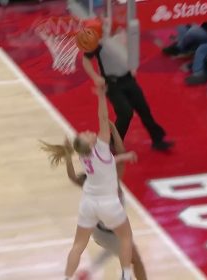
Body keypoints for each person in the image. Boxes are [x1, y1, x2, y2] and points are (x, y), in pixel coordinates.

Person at [41, 85, 136, 280]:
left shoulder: (85, 155)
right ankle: (126, 277)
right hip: (108, 203)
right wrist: (101, 94)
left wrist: (123, 157)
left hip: (89, 203)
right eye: (85, 134)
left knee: (78, 245)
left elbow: (108, 164)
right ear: (91, 143)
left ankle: (67, 278)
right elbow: (103, 117)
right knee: (126, 238)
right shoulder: (101, 147)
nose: (85, 131)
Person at [80, 22, 173, 151]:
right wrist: (95, 77)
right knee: (125, 113)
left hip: (128, 79)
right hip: (112, 84)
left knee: (144, 109)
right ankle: (113, 144)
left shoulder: (119, 36)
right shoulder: (97, 43)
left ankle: (157, 139)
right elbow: (86, 60)